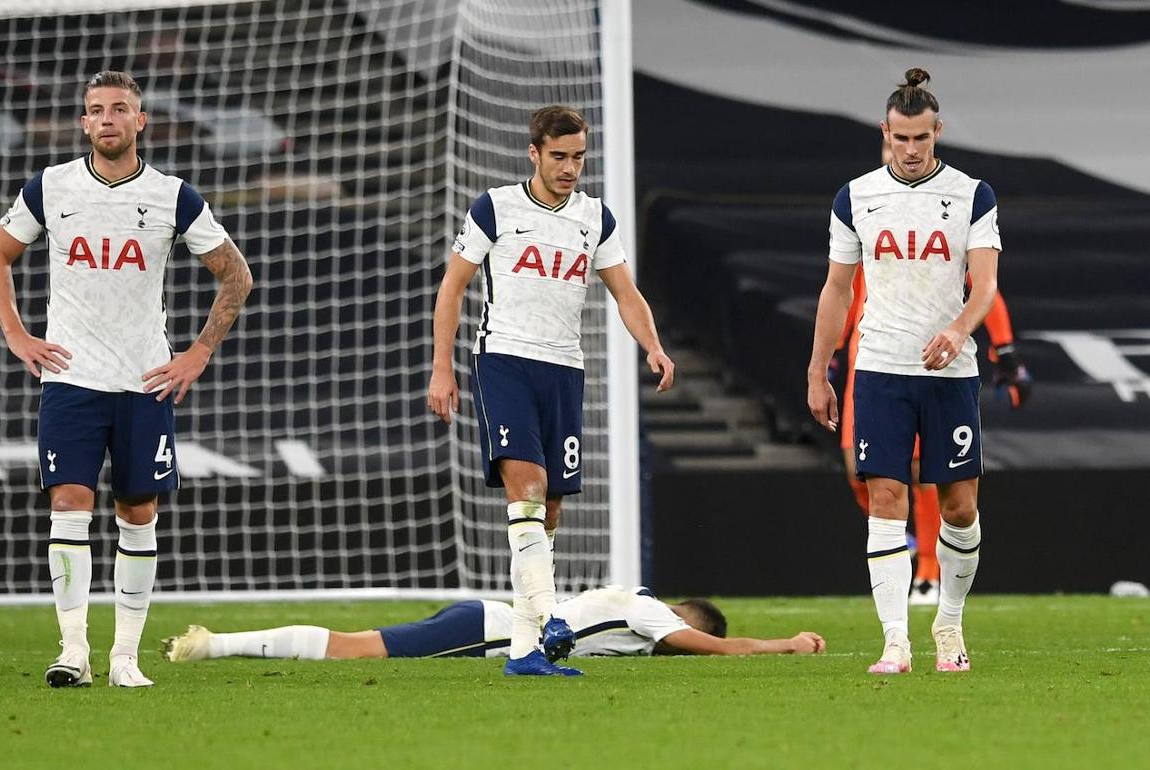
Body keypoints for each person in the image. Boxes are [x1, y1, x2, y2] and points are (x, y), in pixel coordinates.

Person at [0, 71, 252, 688]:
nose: (107, 118)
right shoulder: (51, 188)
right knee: (69, 502)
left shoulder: (172, 196)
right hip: (72, 379)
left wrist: (199, 352)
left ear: (140, 121)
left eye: (119, 109)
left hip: (144, 380)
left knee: (137, 510)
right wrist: (17, 336)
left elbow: (236, 275)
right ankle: (72, 650)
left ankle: (124, 658)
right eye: (96, 110)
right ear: (84, 123)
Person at [427, 106, 676, 676]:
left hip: (564, 369)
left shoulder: (595, 218)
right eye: (559, 156)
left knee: (551, 508)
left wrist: (654, 346)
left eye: (578, 157)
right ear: (533, 153)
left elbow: (626, 294)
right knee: (529, 488)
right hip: (505, 361)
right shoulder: (495, 208)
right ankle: (550, 619)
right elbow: (452, 288)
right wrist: (443, 369)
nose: (570, 168)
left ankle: (522, 653)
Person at [807, 68, 999, 674]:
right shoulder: (855, 196)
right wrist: (819, 369)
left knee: (959, 506)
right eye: (901, 139)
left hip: (951, 372)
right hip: (882, 368)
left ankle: (948, 622)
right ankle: (895, 641)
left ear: (937, 132)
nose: (911, 150)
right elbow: (837, 289)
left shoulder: (972, 194)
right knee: (884, 496)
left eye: (921, 138)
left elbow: (986, 285)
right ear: (885, 133)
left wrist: (958, 330)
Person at [834, 215, 1031, 605]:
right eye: (893, 147)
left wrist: (1003, 348)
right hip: (871, 362)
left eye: (913, 146)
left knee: (923, 471)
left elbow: (983, 286)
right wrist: (835, 349)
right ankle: (909, 541)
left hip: (930, 361)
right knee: (857, 470)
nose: (904, 151)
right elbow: (846, 290)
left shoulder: (948, 216)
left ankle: (927, 571)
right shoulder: (867, 214)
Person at [160, 586, 825, 662]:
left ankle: (219, 643)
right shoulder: (652, 613)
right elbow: (719, 646)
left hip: (486, 617)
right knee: (357, 650)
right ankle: (215, 644)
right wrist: (788, 644)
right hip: (493, 631)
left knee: (362, 647)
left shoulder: (627, 601)